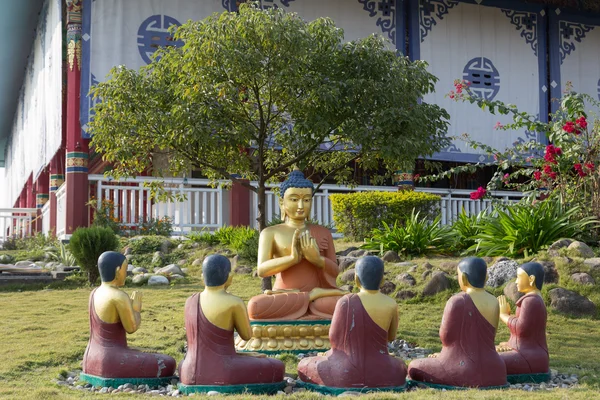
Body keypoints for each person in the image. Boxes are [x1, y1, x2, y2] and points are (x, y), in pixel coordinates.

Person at [247, 169, 344, 320]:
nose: (301, 205)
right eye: (294, 199)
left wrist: (317, 260)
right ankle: (309, 302)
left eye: (306, 200)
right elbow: (262, 270)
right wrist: (292, 258)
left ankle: (311, 301)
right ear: (282, 202)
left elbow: (335, 271)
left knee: (346, 304)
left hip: (319, 297)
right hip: (286, 295)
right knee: (256, 307)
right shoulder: (270, 233)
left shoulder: (323, 232)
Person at [298, 256, 407, 390]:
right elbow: (391, 337)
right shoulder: (391, 304)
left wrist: (328, 354)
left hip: (345, 370)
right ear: (382, 280)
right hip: (383, 368)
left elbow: (334, 338)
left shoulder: (346, 301)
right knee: (401, 366)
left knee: (305, 364)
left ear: (356, 279)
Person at [179, 254, 284, 386]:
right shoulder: (234, 302)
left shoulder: (190, 301)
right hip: (223, 370)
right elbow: (247, 336)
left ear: (202, 277)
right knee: (276, 366)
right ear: (229, 277)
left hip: (188, 370)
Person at [408, 257, 507, 388]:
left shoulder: (457, 300)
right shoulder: (494, 301)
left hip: (462, 369)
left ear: (464, 278)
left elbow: (445, 337)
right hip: (495, 368)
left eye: (458, 275)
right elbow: (490, 336)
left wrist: (443, 355)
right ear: (486, 276)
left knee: (414, 366)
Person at [82, 251, 176, 378]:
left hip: (91, 357)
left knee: (146, 354)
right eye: (125, 270)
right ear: (117, 270)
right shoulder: (119, 296)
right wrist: (136, 309)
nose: (126, 274)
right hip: (111, 361)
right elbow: (132, 328)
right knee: (167, 362)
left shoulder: (94, 292)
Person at [497, 262, 549, 377]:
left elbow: (521, 328)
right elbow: (528, 331)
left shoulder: (531, 301)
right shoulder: (532, 300)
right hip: (528, 353)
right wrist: (511, 343)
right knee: (488, 352)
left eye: (519, 277)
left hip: (528, 357)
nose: (516, 282)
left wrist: (503, 315)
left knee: (489, 360)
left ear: (531, 279)